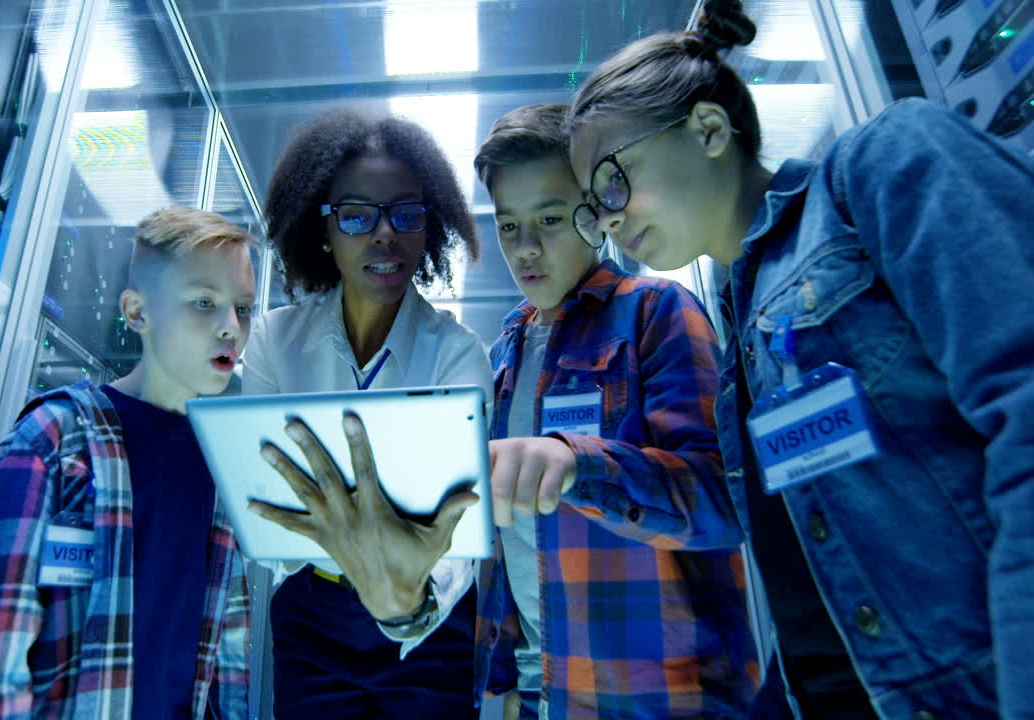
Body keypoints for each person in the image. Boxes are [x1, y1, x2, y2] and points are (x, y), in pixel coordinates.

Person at [565, 1, 1034, 717]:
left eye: (611, 182)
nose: (608, 219)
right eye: (594, 208)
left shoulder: (883, 164)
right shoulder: (740, 333)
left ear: (709, 129)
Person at [470, 103, 757, 719]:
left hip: (662, 698)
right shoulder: (501, 357)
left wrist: (581, 464)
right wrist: (501, 679)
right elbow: (504, 538)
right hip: (542, 692)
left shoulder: (655, 311)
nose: (526, 248)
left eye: (549, 218)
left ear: (593, 212)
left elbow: (725, 497)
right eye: (509, 225)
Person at [0, 207, 256, 719]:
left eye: (243, 308)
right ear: (137, 312)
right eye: (204, 302)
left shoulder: (221, 463)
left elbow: (227, 650)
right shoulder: (57, 436)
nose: (231, 328)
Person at [239, 107, 493, 719]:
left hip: (430, 620)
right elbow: (262, 514)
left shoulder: (458, 354)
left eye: (406, 214)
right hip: (314, 617)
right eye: (356, 216)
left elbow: (463, 531)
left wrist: (408, 603)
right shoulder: (274, 341)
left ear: (429, 229)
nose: (385, 235)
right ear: (324, 230)